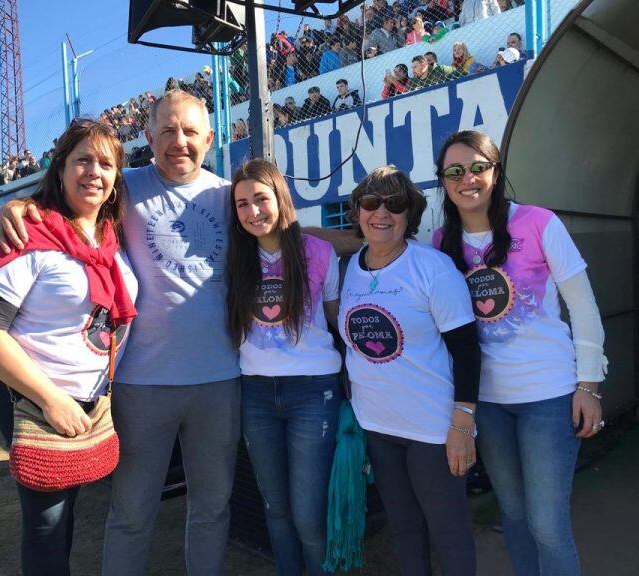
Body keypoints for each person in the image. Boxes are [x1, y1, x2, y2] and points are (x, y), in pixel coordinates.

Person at [0, 90, 241, 576]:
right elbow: (65, 194)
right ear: (148, 136)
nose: (179, 142)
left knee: (212, 508)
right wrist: (16, 205)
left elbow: (281, 230)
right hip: (139, 386)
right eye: (167, 130)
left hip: (220, 381)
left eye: (190, 131)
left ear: (210, 138)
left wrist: (346, 237)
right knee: (132, 513)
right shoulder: (123, 187)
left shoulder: (229, 196)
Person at [0, 118, 138, 575]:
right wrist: (52, 400)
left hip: (88, 399)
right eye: (82, 160)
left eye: (105, 163)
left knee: (66, 515)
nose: (94, 172)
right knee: (46, 523)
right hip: (36, 400)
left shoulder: (109, 238)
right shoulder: (29, 234)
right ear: (60, 168)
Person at [432, 130, 606, 576]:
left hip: (548, 397)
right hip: (488, 404)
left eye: (477, 167)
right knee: (513, 515)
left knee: (548, 526)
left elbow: (582, 304)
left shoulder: (538, 222)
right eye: (454, 171)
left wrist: (589, 385)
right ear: (443, 182)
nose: (466, 179)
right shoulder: (439, 244)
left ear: (496, 170)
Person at [339, 166, 480, 575]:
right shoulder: (352, 267)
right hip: (378, 427)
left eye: (395, 205)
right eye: (371, 202)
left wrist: (462, 425)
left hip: (432, 432)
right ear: (358, 211)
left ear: (410, 215)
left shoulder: (433, 269)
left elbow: (467, 351)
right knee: (403, 529)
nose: (381, 213)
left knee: (449, 532)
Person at [227, 159, 342, 576]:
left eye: (261, 199)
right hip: (255, 394)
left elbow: (337, 320)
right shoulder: (234, 258)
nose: (253, 211)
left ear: (280, 197)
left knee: (309, 516)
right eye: (242, 204)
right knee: (275, 510)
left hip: (314, 392)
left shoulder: (318, 253)